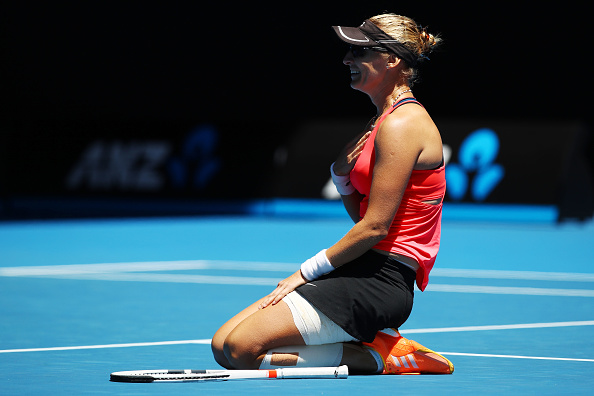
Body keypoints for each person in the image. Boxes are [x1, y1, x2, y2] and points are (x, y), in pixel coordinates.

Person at [211, 13, 453, 375]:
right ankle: (370, 344)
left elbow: (374, 228)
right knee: (222, 346)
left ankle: (381, 356)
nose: (347, 60)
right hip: (361, 266)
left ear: (392, 59)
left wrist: (304, 273)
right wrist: (341, 177)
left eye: (359, 52)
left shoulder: (404, 124)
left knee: (242, 351)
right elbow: (363, 218)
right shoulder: (380, 122)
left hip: (382, 281)